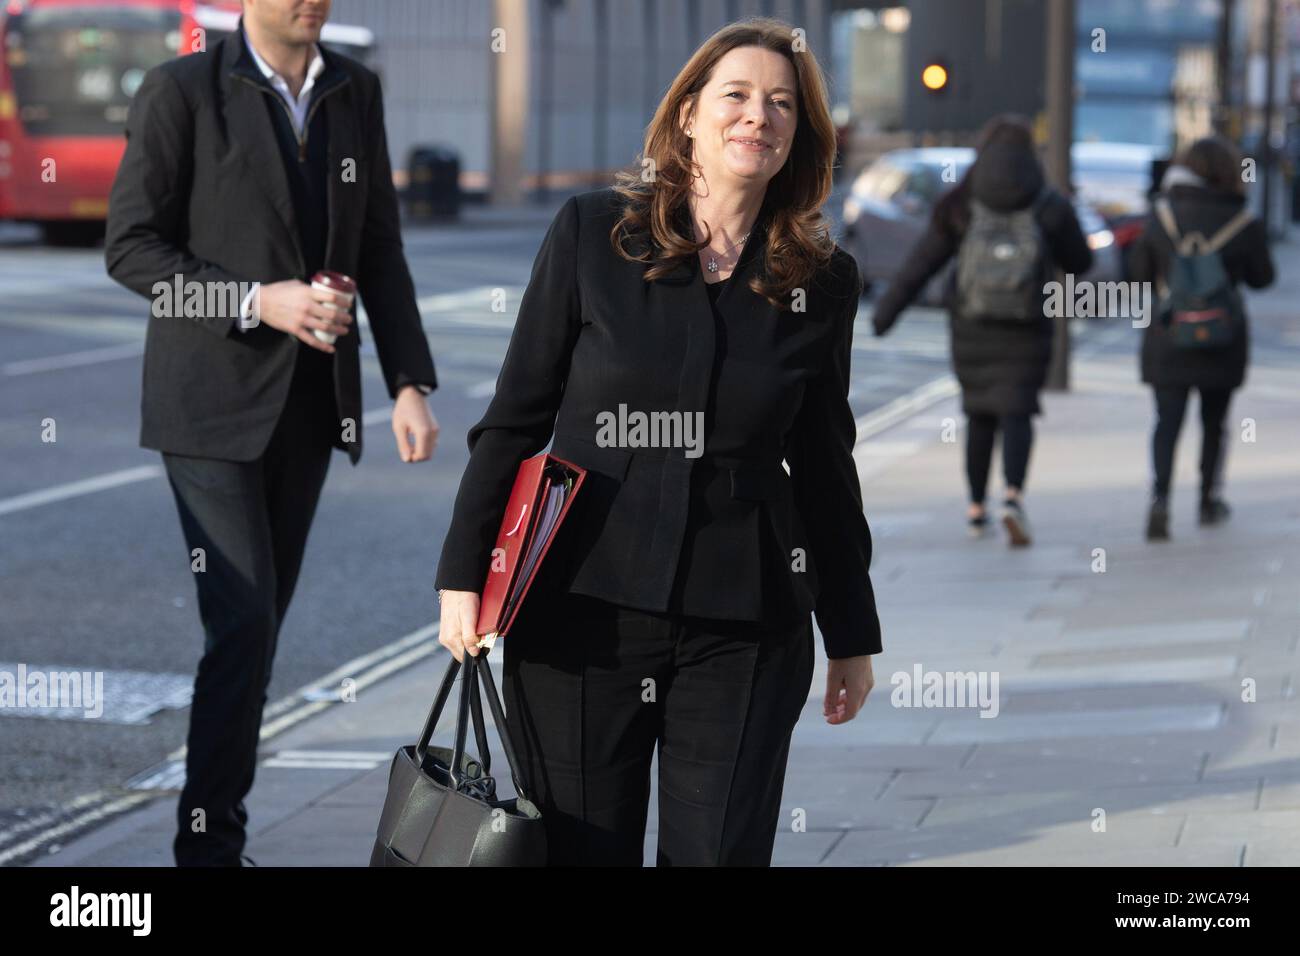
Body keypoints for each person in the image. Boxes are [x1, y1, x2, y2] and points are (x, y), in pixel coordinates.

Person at [433, 18, 882, 866]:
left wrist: (851, 630)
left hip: (745, 624)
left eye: (782, 104)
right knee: (577, 852)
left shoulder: (821, 282)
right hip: (579, 611)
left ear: (800, 136)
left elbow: (825, 463)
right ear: (688, 117)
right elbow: (516, 416)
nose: (759, 116)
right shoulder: (594, 234)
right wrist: (465, 574)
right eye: (738, 96)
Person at [105, 0, 439, 866]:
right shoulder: (183, 90)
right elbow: (132, 250)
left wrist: (408, 380)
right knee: (244, 620)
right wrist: (258, 301)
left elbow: (380, 247)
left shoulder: (354, 91)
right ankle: (209, 846)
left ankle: (216, 831)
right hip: (206, 407)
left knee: (258, 634)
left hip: (311, 403)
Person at [870, 115, 1093, 546]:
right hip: (1028, 326)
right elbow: (1080, 261)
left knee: (979, 415)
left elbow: (923, 261)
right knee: (1018, 411)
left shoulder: (961, 202)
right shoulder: (1048, 203)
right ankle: (1012, 496)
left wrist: (886, 314)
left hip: (972, 325)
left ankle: (975, 509)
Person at [1127, 136, 1274, 540]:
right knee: (1214, 421)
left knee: (1166, 421)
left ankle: (1160, 499)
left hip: (1168, 332)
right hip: (1222, 335)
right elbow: (1264, 279)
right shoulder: (1243, 220)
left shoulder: (1162, 214)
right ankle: (1209, 499)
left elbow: (1137, 274)